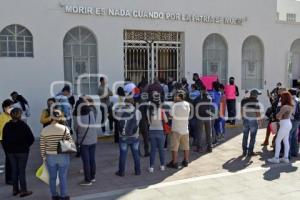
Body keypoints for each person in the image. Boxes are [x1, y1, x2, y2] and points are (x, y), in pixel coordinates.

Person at [40, 109, 74, 200]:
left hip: (50, 157)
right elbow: (70, 142)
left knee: (52, 177)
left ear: (51, 118)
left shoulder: (44, 130)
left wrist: (43, 157)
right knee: (63, 176)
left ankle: (54, 195)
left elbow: (42, 145)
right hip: (63, 155)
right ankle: (64, 195)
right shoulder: (65, 128)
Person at [2, 108, 34, 197]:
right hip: (22, 151)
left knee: (14, 170)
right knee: (21, 171)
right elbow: (31, 138)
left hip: (11, 152)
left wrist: (7, 149)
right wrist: (26, 146)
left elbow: (4, 139)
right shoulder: (23, 125)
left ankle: (15, 190)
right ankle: (24, 190)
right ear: (19, 115)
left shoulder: (7, 126)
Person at [115, 97, 142, 177]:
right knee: (136, 154)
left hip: (123, 136)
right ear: (133, 102)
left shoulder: (120, 111)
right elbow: (138, 122)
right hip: (134, 136)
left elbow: (117, 120)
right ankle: (138, 171)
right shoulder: (137, 111)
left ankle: (121, 172)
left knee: (123, 155)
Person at [74, 100, 98, 186]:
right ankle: (93, 177)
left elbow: (76, 129)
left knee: (86, 161)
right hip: (93, 140)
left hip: (84, 142)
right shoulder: (91, 114)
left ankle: (87, 180)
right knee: (92, 159)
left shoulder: (78, 119)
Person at [167, 91, 190, 169]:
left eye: (176, 96)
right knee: (186, 146)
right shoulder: (187, 104)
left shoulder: (175, 105)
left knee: (174, 147)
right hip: (185, 128)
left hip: (176, 129)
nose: (174, 97)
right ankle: (186, 161)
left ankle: (175, 162)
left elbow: (170, 115)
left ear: (179, 97)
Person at [268, 92, 293, 164]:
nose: (280, 98)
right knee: (286, 141)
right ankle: (286, 158)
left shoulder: (284, 107)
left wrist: (276, 114)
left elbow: (278, 116)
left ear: (284, 98)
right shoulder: (290, 106)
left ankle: (276, 158)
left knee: (278, 140)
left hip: (284, 124)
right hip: (288, 123)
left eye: (281, 97)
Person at [147, 99, 168, 173]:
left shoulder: (148, 111)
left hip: (152, 131)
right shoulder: (161, 110)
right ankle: (162, 166)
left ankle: (151, 167)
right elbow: (166, 121)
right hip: (160, 131)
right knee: (161, 149)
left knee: (153, 150)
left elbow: (149, 122)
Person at [241, 89, 262, 157]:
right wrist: (260, 122)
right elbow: (258, 113)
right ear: (255, 95)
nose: (258, 96)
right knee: (253, 136)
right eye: (257, 95)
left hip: (245, 120)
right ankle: (250, 152)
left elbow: (242, 110)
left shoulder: (243, 100)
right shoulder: (256, 102)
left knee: (245, 136)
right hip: (253, 121)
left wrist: (243, 118)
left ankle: (244, 151)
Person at [0, 99, 14, 184]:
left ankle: (12, 177)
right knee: (9, 158)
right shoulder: (1, 117)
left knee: (11, 158)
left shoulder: (11, 116)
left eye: (12, 107)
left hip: (12, 139)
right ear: (4, 108)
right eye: (9, 107)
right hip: (4, 139)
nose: (11, 109)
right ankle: (8, 179)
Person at [288, 88, 300, 157]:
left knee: (289, 136)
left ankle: (288, 154)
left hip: (292, 119)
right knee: (295, 136)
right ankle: (295, 152)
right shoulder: (298, 99)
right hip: (298, 120)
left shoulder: (292, 100)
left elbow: (291, 111)